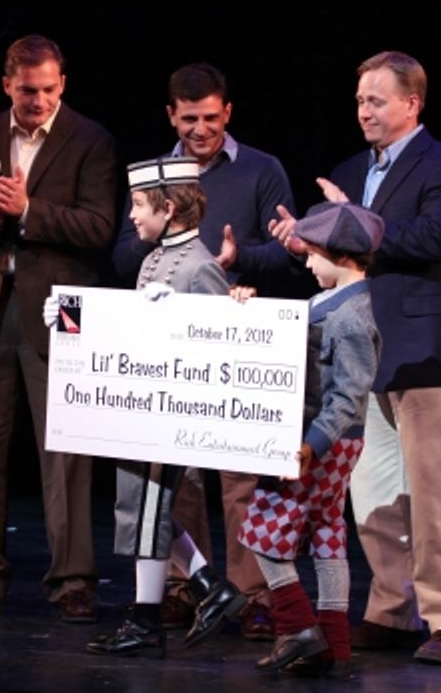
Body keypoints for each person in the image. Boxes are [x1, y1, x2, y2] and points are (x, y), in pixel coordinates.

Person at [274, 50, 441, 663]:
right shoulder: (346, 168)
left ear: (412, 103)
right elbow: (338, 263)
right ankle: (392, 609)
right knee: (372, 490)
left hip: (419, 345)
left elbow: (437, 237)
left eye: (377, 99)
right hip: (356, 348)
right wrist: (302, 241)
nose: (364, 109)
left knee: (434, 489)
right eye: (360, 99)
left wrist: (355, 223)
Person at [0, 34, 115, 621]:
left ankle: (72, 580)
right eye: (26, 89)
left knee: (64, 452)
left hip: (62, 310)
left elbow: (99, 228)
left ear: (62, 84)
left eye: (46, 89)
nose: (36, 100)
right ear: (7, 84)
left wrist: (29, 211)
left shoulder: (90, 140)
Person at [111, 62, 294, 637]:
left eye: (211, 118)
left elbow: (287, 252)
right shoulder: (156, 176)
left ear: (228, 113)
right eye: (189, 118)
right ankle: (182, 587)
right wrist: (161, 265)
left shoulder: (262, 170)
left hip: (237, 337)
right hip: (168, 350)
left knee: (241, 476)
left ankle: (251, 593)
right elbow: (121, 252)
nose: (201, 128)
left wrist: (234, 261)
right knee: (174, 478)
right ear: (172, 115)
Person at [80, 156, 244, 657]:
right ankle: (204, 588)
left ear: (168, 208)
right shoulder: (152, 260)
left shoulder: (198, 266)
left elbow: (220, 346)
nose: (131, 215)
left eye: (138, 205)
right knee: (140, 508)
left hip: (173, 413)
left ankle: (148, 617)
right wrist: (70, 318)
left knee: (149, 510)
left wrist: (184, 317)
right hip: (144, 411)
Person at [240, 201, 381, 678]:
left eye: (314, 255)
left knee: (262, 525)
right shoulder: (330, 303)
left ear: (340, 257)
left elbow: (348, 394)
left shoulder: (351, 316)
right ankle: (332, 644)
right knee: (325, 531)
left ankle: (298, 626)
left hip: (322, 440)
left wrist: (308, 446)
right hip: (331, 442)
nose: (306, 262)